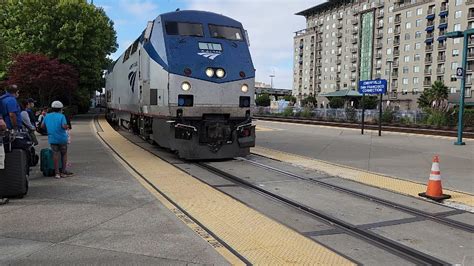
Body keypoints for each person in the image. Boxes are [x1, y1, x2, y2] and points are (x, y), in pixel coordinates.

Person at [42, 101, 73, 179]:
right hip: (62, 138)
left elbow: (42, 126)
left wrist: (49, 129)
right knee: (64, 154)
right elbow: (64, 126)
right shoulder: (61, 116)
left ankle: (57, 173)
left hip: (52, 138)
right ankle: (63, 171)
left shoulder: (47, 116)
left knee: (55, 155)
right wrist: (67, 126)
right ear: (60, 109)